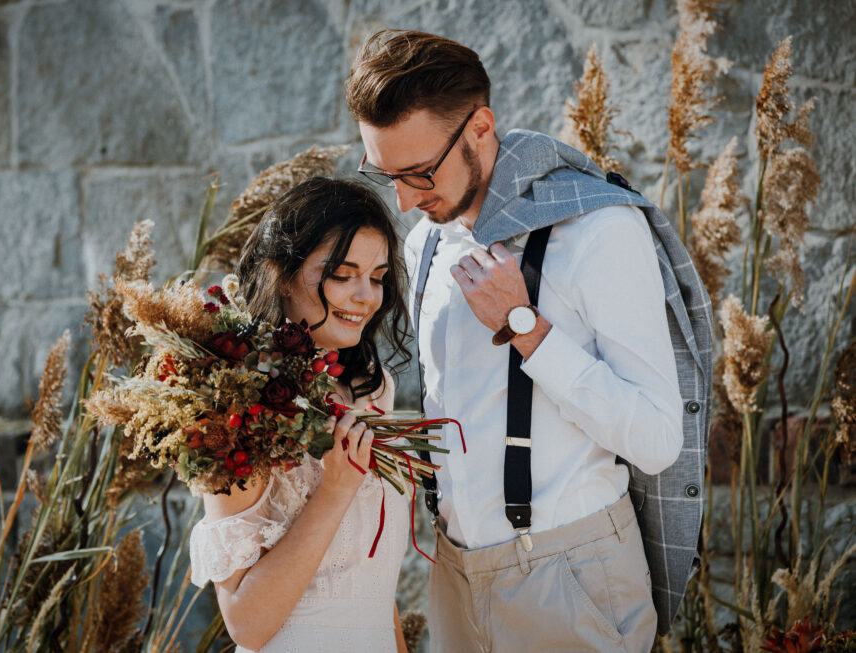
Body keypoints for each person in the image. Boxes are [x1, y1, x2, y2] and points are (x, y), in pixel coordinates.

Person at [346, 30, 702, 652]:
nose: (404, 201)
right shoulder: (425, 241)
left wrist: (527, 330)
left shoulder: (599, 229)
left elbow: (656, 438)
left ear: (480, 127)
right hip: (455, 575)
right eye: (387, 176)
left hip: (573, 577)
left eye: (420, 172)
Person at [188, 177, 412, 653]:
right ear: (284, 275)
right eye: (342, 273)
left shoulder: (372, 387)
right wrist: (334, 491)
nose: (366, 297)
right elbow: (246, 623)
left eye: (376, 276)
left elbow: (370, 582)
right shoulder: (238, 403)